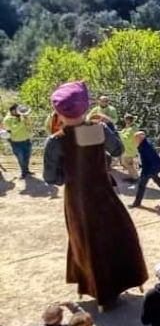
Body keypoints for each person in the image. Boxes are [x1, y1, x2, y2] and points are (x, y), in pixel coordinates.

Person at [42, 81, 148, 309]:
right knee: (115, 236)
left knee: (86, 241)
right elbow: (118, 150)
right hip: (104, 194)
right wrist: (108, 125)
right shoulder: (99, 129)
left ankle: (95, 287)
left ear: (59, 112)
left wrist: (69, 173)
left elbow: (52, 178)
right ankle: (119, 282)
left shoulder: (55, 141)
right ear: (85, 107)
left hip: (77, 199)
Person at [131, 131, 160, 208]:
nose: (135, 139)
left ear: (140, 138)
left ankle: (137, 203)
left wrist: (150, 169)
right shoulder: (145, 143)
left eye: (136, 138)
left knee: (141, 185)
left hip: (149, 168)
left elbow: (152, 158)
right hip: (151, 167)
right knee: (157, 180)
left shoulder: (145, 146)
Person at [4, 103, 34, 179]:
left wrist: (27, 121)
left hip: (27, 140)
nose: (19, 111)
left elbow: (29, 126)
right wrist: (23, 121)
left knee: (27, 157)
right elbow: (14, 129)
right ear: (12, 111)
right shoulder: (7, 119)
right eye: (17, 109)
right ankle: (23, 172)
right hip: (16, 143)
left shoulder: (22, 116)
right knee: (21, 158)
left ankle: (26, 170)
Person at [118, 114, 140, 182]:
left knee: (127, 163)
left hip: (129, 149)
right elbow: (124, 133)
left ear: (127, 120)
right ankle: (133, 176)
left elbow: (125, 138)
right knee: (128, 163)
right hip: (131, 149)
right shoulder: (133, 127)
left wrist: (118, 134)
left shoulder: (131, 129)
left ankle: (135, 178)